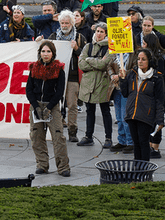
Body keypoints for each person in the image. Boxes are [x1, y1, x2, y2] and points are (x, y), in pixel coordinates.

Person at [26, 41, 70, 176]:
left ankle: (63, 167)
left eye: (48, 51)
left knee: (58, 136)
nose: (45, 54)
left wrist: (49, 107)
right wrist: (36, 106)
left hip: (52, 106)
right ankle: (42, 164)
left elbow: (60, 91)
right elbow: (29, 90)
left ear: (53, 53)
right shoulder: (34, 68)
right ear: (39, 53)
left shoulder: (58, 69)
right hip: (36, 105)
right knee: (36, 137)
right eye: (43, 51)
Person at [119, 48, 165, 162]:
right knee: (136, 143)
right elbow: (125, 93)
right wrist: (122, 80)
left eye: (143, 59)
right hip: (132, 114)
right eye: (138, 59)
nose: (140, 61)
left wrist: (160, 120)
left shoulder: (157, 77)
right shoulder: (132, 73)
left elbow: (160, 100)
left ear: (149, 61)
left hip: (146, 115)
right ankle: (137, 167)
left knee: (144, 142)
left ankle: (144, 168)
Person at [47, 10, 87, 142]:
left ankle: (72, 131)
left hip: (72, 76)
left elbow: (85, 56)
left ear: (72, 23)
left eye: (67, 23)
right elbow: (45, 53)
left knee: (72, 105)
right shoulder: (53, 36)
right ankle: (57, 130)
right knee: (56, 104)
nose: (64, 25)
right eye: (62, 23)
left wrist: (76, 49)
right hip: (56, 76)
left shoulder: (79, 38)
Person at [77, 22, 116, 148]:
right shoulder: (88, 46)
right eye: (97, 31)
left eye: (101, 32)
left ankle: (108, 138)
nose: (98, 34)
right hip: (88, 83)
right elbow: (81, 64)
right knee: (89, 110)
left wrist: (89, 60)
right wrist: (96, 62)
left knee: (105, 110)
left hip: (102, 82)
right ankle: (88, 136)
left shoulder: (110, 47)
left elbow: (104, 64)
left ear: (106, 34)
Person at [139, 33, 165, 158]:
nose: (142, 45)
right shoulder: (151, 58)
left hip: (157, 95)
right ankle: (150, 146)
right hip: (149, 96)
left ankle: (155, 148)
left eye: (144, 43)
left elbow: (160, 79)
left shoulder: (159, 60)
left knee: (157, 121)